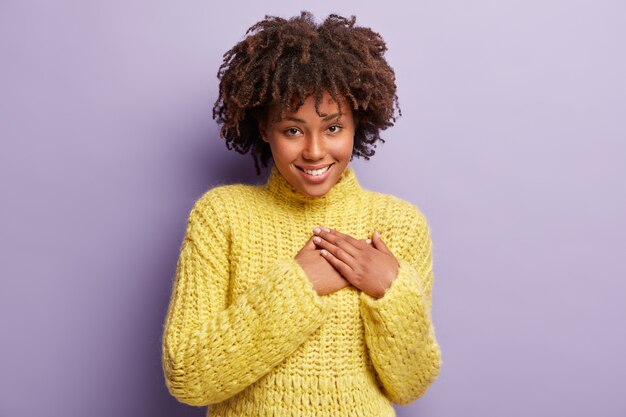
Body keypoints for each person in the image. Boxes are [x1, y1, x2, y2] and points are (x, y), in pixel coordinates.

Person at [161, 11, 443, 416]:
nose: (314, 150)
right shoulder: (221, 216)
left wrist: (388, 288)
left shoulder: (399, 224)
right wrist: (297, 284)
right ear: (264, 128)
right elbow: (188, 377)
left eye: (333, 128)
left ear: (357, 125)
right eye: (293, 130)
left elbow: (409, 386)